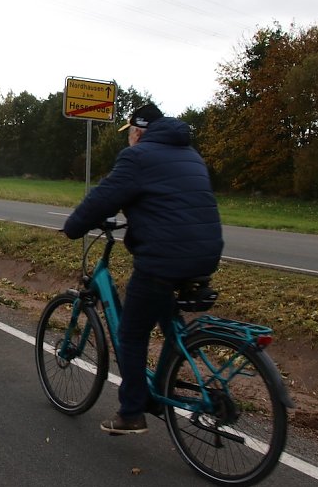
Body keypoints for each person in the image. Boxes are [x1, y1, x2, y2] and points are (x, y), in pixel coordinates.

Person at [62, 101, 223, 434]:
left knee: (131, 333)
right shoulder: (191, 154)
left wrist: (74, 226)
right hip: (205, 255)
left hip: (165, 259)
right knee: (167, 319)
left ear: (137, 132)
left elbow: (104, 197)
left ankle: (132, 411)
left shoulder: (138, 157)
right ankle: (162, 384)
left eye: (129, 134)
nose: (128, 140)